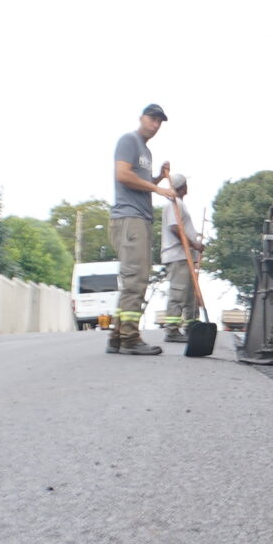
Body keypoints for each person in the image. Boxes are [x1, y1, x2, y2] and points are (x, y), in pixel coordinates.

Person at [107, 103, 181, 357]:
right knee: (135, 279)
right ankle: (129, 337)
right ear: (142, 118)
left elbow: (140, 182)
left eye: (160, 121)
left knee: (137, 278)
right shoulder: (129, 141)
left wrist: (158, 178)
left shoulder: (146, 152)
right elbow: (123, 175)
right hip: (129, 218)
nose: (156, 125)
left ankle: (117, 337)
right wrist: (158, 189)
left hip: (139, 218)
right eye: (152, 119)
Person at [156, 168, 202, 343]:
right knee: (178, 293)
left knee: (190, 294)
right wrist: (193, 244)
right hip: (177, 256)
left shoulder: (179, 204)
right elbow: (175, 228)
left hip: (185, 256)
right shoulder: (173, 204)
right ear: (183, 187)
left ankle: (191, 327)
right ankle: (172, 330)